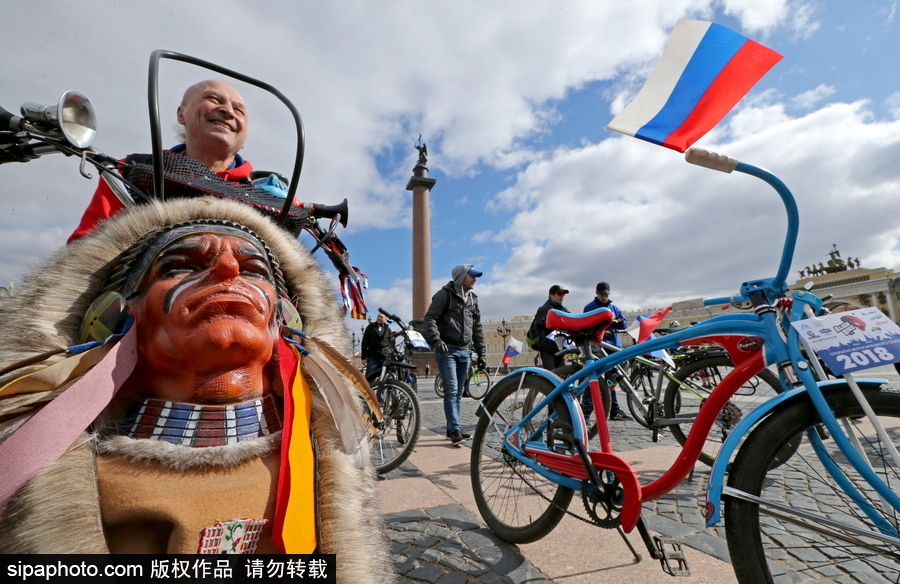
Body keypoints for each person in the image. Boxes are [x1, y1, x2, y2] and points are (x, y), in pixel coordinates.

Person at [0, 198, 395, 581]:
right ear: (111, 315)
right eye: (180, 266)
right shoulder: (59, 475)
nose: (228, 269)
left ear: (287, 321)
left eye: (254, 269)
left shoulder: (316, 470)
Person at [68, 79, 254, 243]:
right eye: (214, 99)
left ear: (245, 138)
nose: (229, 111)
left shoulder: (260, 191)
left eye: (239, 110)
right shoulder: (132, 171)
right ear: (181, 114)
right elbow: (85, 247)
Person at [423, 264, 486, 445]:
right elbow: (430, 318)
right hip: (447, 349)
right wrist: (436, 340)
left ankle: (452, 428)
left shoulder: (473, 299)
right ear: (461, 276)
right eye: (471, 276)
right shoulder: (444, 295)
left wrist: (481, 352)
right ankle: (456, 429)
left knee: (459, 392)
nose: (475, 279)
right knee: (451, 390)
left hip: (465, 350)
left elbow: (477, 328)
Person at [583, 281, 631, 421]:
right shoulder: (589, 308)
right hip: (598, 347)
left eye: (606, 295)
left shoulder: (613, 307)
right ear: (596, 293)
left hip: (614, 347)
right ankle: (586, 411)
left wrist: (617, 321)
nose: (604, 297)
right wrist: (603, 328)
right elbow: (587, 326)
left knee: (611, 380)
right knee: (594, 378)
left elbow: (624, 323)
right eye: (602, 294)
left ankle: (614, 410)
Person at [532, 285, 570, 370]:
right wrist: (554, 324)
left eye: (563, 294)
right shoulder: (545, 308)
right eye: (559, 294)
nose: (562, 296)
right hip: (547, 348)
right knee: (551, 373)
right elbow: (538, 324)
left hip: (560, 347)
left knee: (562, 373)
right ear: (551, 295)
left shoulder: (564, 310)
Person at [361, 312, 392, 378]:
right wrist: (363, 357)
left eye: (381, 317)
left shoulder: (388, 329)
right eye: (378, 316)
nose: (379, 318)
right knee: (370, 376)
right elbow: (364, 342)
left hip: (384, 357)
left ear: (385, 319)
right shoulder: (371, 327)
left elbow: (391, 343)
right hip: (373, 357)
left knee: (384, 377)